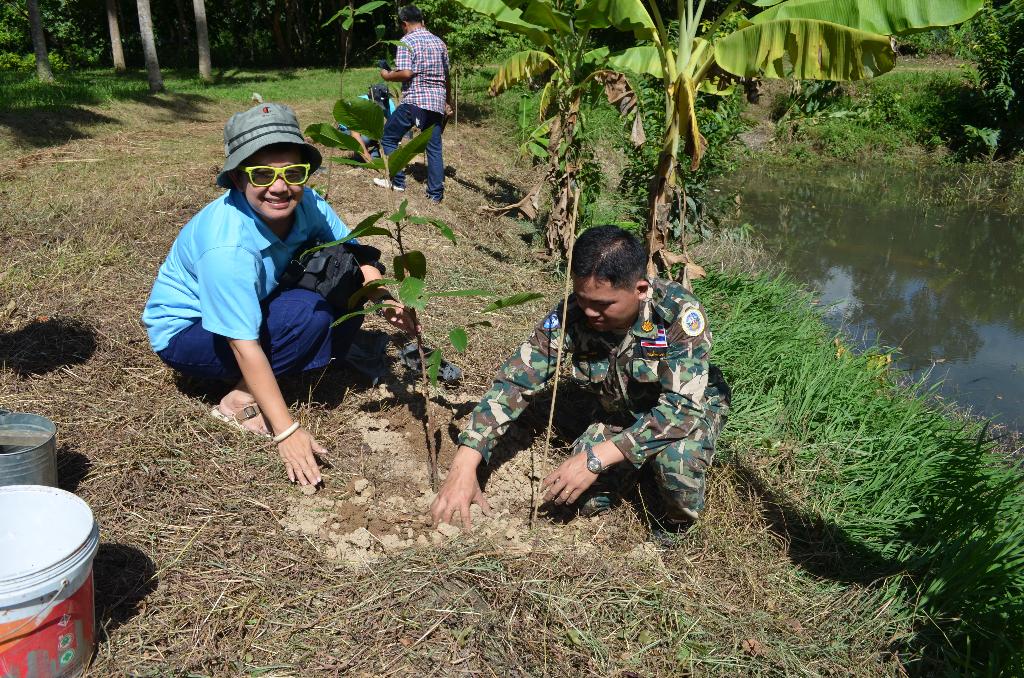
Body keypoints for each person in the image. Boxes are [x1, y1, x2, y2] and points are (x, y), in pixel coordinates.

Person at [143, 103, 415, 486]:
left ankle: (280, 368)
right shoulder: (227, 247)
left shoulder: (308, 204)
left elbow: (353, 254)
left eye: (292, 172)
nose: (279, 187)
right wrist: (287, 431)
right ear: (238, 179)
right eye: (262, 174)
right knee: (309, 315)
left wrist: (385, 302)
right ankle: (236, 399)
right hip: (191, 333)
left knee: (342, 277)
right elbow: (242, 342)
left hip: (253, 304)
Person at [429, 226, 730, 537]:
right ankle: (631, 466)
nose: (589, 312)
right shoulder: (574, 312)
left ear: (640, 289)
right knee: (576, 498)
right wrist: (465, 464)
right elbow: (515, 382)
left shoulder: (678, 315)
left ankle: (676, 525)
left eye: (602, 304)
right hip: (622, 411)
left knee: (675, 464)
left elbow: (681, 410)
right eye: (583, 299)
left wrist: (595, 459)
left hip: (688, 408)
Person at [376, 4, 452, 203]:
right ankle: (435, 195)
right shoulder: (439, 43)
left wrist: (387, 75)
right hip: (435, 102)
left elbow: (406, 73)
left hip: (415, 101)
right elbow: (447, 77)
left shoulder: (406, 41)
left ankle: (398, 181)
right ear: (422, 21)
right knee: (434, 147)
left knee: (388, 137)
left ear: (404, 24)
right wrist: (447, 102)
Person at [340, 83, 397, 162]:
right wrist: (366, 156)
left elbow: (394, 125)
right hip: (347, 131)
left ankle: (375, 157)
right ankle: (359, 156)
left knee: (386, 135)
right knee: (365, 139)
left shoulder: (388, 103)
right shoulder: (358, 105)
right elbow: (355, 134)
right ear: (370, 99)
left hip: (368, 129)